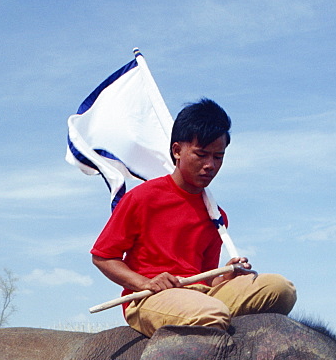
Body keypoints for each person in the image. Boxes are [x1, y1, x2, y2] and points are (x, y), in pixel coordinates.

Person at [90, 98, 296, 337]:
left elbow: (206, 279)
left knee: (280, 288)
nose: (210, 165)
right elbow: (103, 257)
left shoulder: (216, 214)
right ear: (177, 150)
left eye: (218, 157)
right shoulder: (142, 197)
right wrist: (144, 283)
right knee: (211, 314)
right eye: (201, 155)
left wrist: (226, 275)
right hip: (149, 299)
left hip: (200, 295)